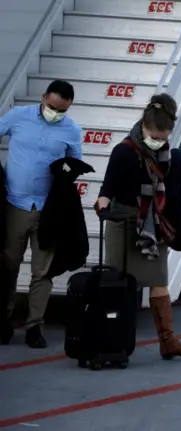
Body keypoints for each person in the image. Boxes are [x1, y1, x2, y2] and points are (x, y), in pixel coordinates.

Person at [95, 93, 181, 360]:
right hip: (123, 223)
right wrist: (102, 205)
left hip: (152, 223)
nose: (158, 141)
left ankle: (168, 341)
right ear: (143, 126)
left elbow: (174, 190)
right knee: (120, 284)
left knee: (159, 282)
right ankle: (113, 340)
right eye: (154, 135)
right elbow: (107, 189)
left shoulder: (169, 156)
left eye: (163, 137)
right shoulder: (124, 151)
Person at [0, 80, 82, 348]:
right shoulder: (18, 117)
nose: (55, 113)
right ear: (43, 97)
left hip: (48, 210)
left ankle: (35, 326)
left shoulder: (71, 130)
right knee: (7, 266)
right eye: (52, 107)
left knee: (42, 272)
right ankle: (4, 321)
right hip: (15, 204)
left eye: (61, 111)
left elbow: (75, 165)